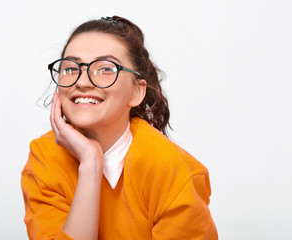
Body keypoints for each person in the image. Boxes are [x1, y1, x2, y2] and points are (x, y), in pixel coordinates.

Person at [21, 16, 218, 240]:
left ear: (136, 92)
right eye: (70, 68)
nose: (82, 82)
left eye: (105, 69)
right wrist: (90, 164)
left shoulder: (173, 171)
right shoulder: (44, 158)